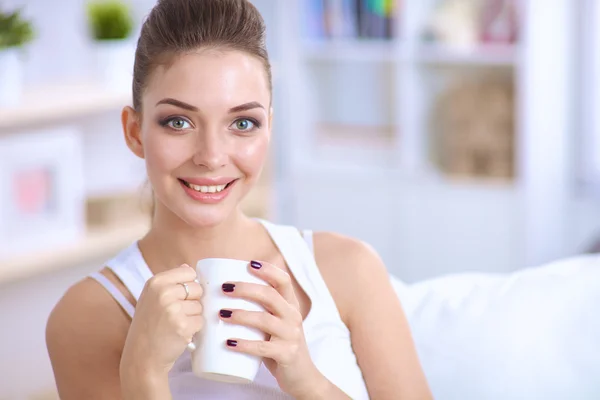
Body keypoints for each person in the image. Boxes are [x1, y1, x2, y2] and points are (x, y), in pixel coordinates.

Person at [45, 0, 432, 398]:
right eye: (178, 122)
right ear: (135, 132)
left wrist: (304, 378)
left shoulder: (348, 269)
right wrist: (143, 370)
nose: (211, 156)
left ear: (269, 129)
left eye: (243, 123)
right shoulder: (86, 317)